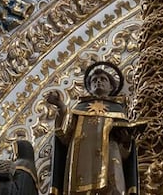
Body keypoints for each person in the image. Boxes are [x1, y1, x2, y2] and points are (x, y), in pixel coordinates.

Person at [46, 61, 146, 195]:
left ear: (111, 87)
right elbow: (64, 136)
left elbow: (126, 154)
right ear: (89, 87)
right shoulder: (79, 109)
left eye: (103, 79)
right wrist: (61, 106)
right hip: (81, 158)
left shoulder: (118, 110)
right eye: (94, 80)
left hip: (111, 154)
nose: (98, 82)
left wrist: (127, 140)